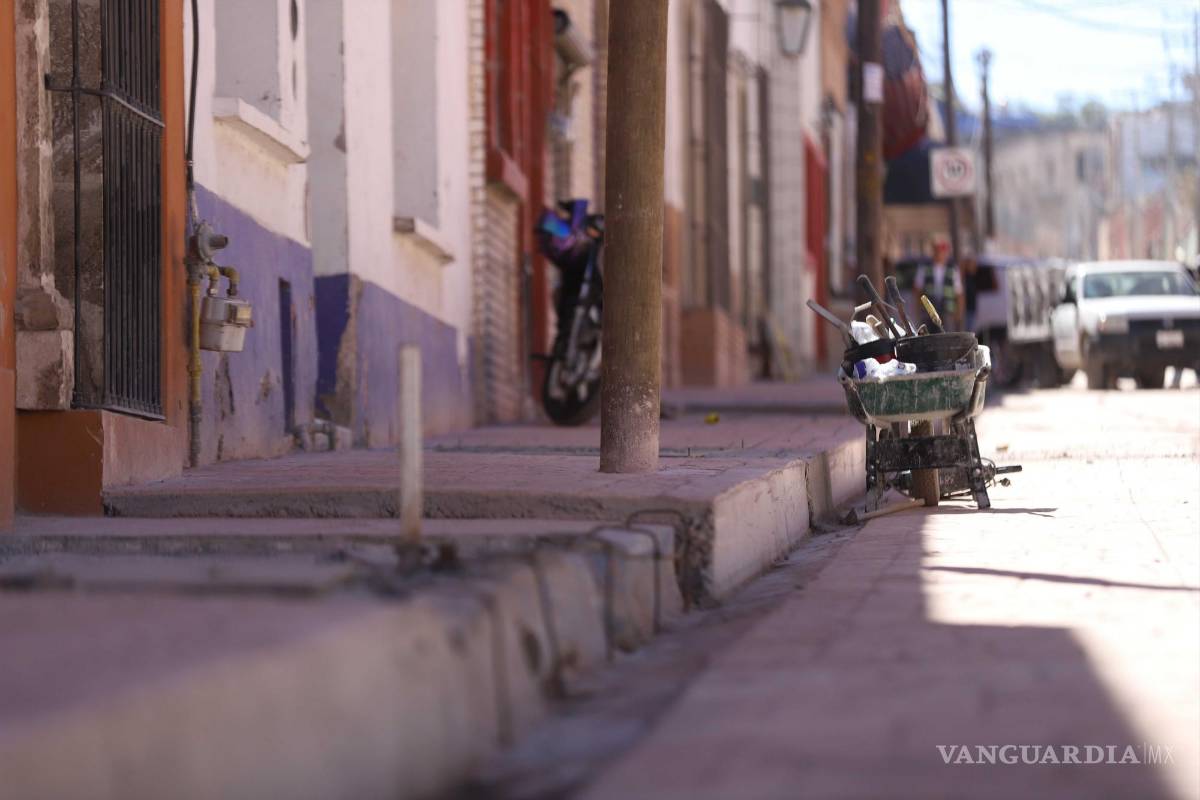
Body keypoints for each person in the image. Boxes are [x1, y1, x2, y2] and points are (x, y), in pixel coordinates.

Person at [914, 239, 964, 330]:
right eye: (938, 251)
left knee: (946, 336)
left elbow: (959, 293)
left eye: (943, 251)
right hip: (928, 311)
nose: (940, 254)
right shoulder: (924, 267)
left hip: (947, 311)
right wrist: (917, 310)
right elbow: (917, 289)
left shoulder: (952, 269)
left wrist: (959, 313)